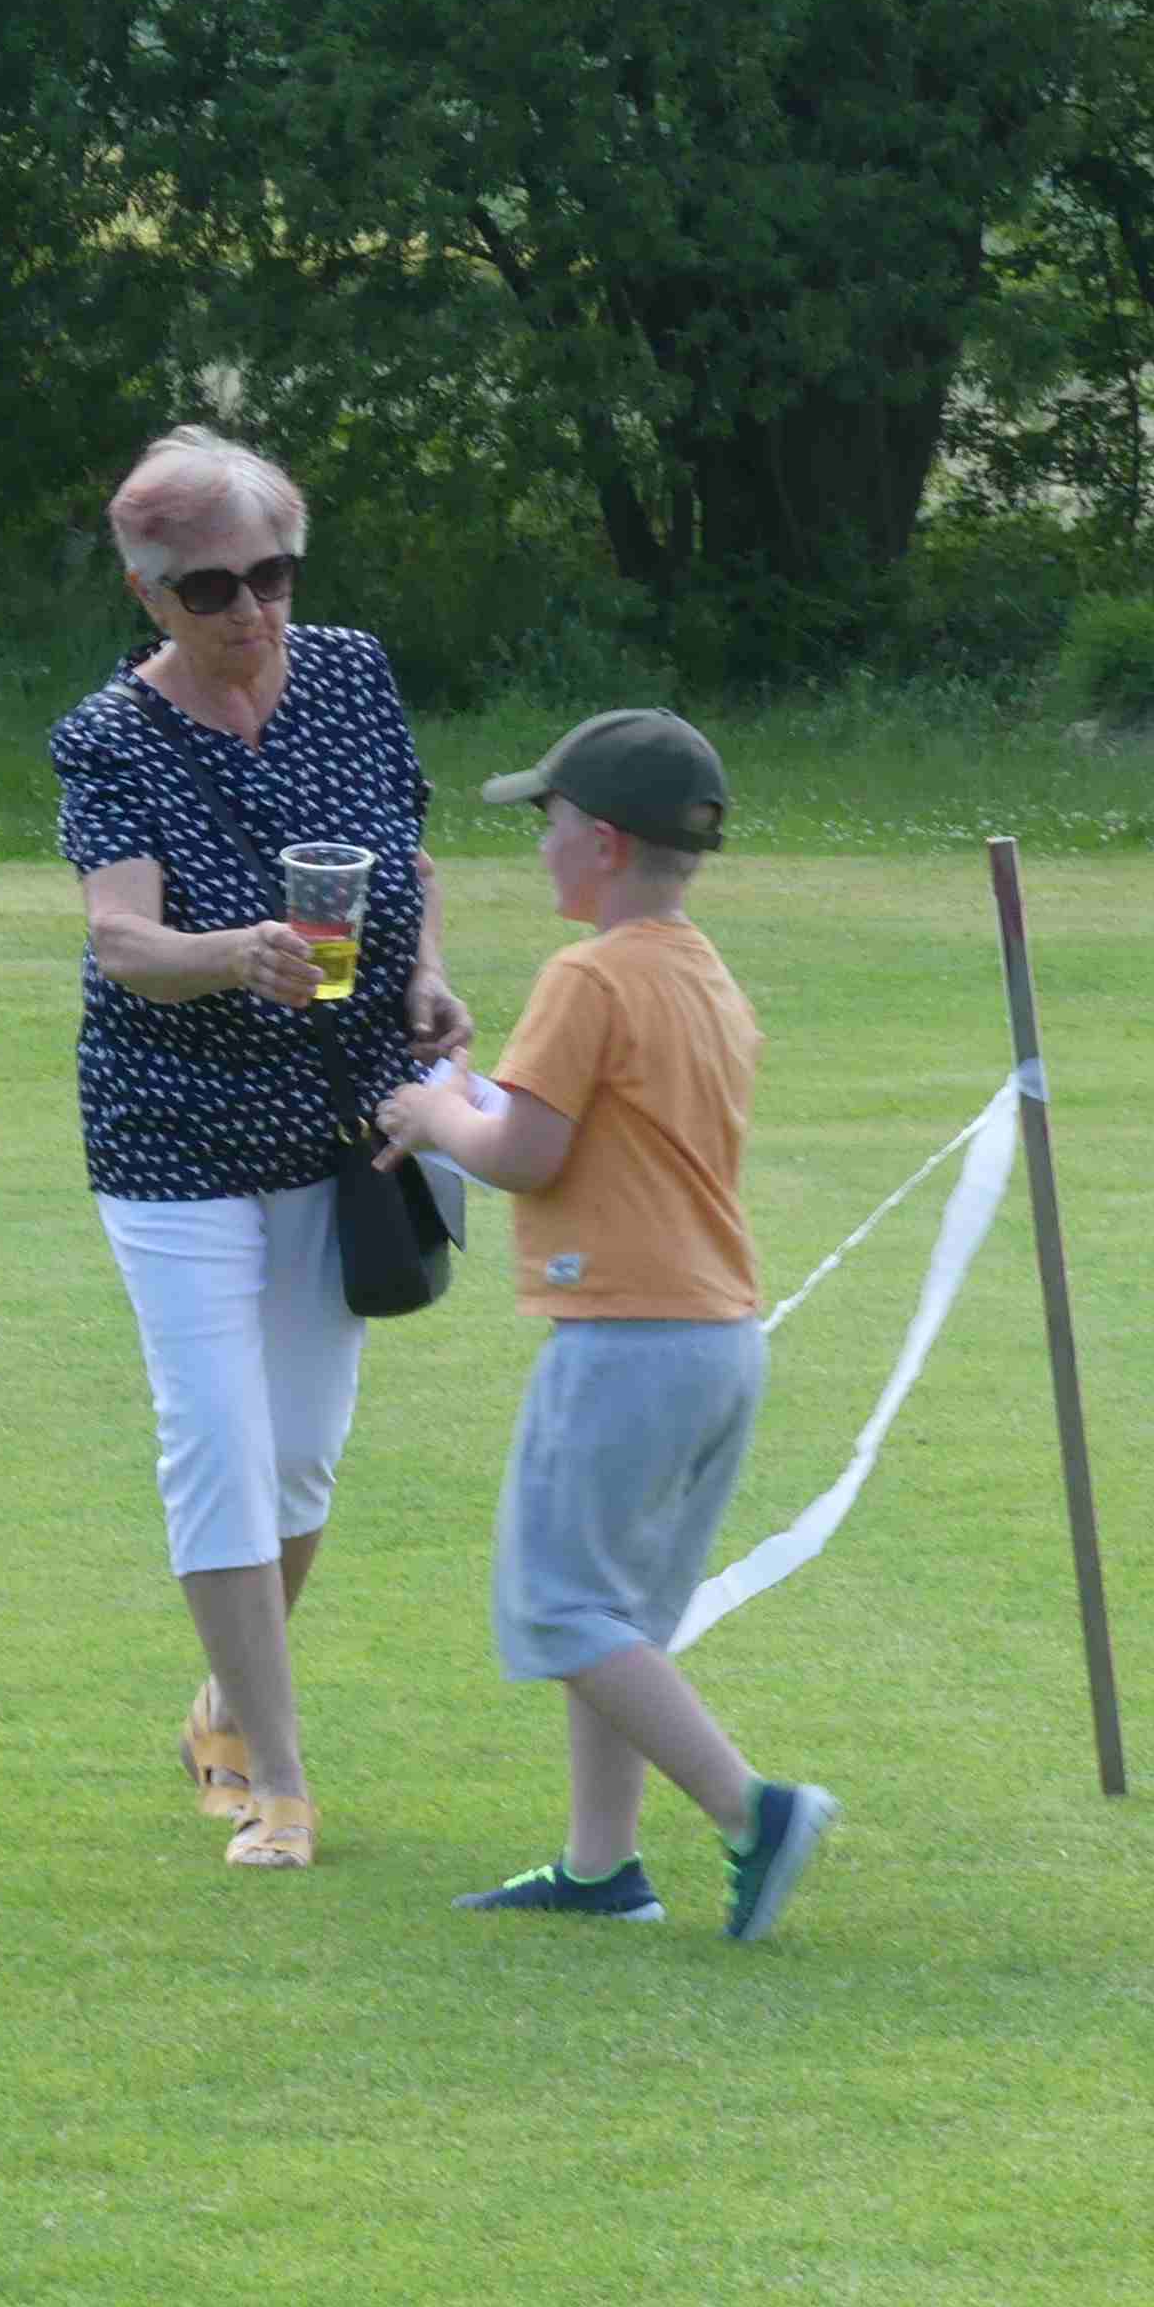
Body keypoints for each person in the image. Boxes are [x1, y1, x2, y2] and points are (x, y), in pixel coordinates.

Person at [52, 426, 472, 1871]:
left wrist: (428, 974)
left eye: (273, 575)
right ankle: (277, 1781)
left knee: (299, 1462)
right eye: (211, 589)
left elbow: (411, 861)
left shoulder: (350, 674)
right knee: (219, 1444)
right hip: (173, 1134)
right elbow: (121, 940)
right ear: (146, 593)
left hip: (342, 1125)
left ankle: (224, 1703)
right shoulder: (110, 737)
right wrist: (236, 953)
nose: (251, 611)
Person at [375, 708, 839, 1943]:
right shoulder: (701, 972)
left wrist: (431, 1115)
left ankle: (752, 1810)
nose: (539, 845)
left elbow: (522, 1155)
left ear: (604, 841)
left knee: (558, 1608)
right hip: (717, 1337)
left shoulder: (585, 976)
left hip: (626, 1336)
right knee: (617, 1617)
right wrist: (473, 1099)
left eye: (550, 821)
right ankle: (602, 1869)